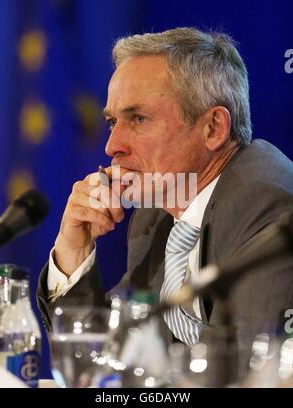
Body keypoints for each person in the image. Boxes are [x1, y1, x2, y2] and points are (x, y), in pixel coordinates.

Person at [37, 27, 293, 379]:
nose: (112, 146)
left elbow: (247, 372)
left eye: (138, 119)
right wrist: (73, 251)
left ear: (214, 128)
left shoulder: (267, 202)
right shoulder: (156, 215)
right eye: (112, 121)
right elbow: (102, 359)